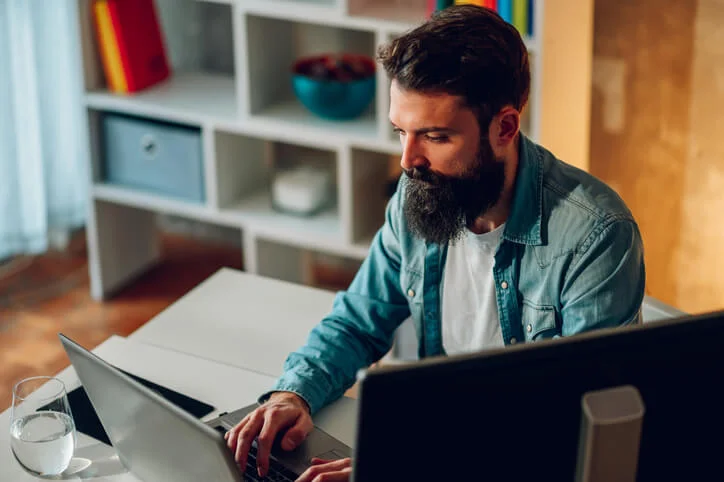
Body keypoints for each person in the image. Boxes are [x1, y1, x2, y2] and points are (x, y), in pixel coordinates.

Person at [225, 4, 646, 481]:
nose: (407, 161)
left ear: (505, 127)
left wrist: (408, 465)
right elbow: (359, 321)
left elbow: (572, 425)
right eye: (401, 132)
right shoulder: (418, 193)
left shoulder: (596, 235)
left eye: (435, 136)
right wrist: (292, 394)